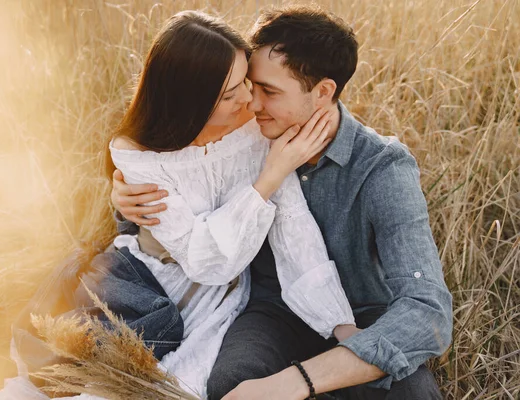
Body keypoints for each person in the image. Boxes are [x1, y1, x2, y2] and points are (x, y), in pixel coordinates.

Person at [111, 5, 453, 400]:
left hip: (364, 319)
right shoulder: (251, 131)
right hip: (274, 311)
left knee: (414, 396)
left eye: (269, 92)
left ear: (323, 92)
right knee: (229, 384)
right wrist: (122, 200)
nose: (250, 104)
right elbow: (184, 170)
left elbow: (427, 313)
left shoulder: (382, 169)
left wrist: (298, 381)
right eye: (250, 86)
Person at [104, 9, 356, 398]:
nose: (249, 100)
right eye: (229, 94)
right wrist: (271, 175)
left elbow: (293, 223)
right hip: (153, 283)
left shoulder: (257, 124)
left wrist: (340, 324)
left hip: (223, 293)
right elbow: (204, 261)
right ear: (190, 102)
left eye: (247, 81)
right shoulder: (138, 154)